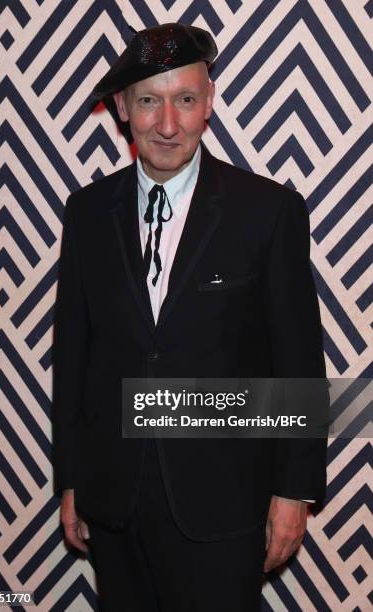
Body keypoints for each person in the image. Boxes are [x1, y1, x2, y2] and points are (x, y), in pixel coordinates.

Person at [51, 22, 327, 612]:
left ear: (209, 103)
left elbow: (298, 362)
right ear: (123, 108)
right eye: (149, 100)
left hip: (225, 507)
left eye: (185, 99)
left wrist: (293, 492)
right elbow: (75, 356)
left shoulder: (268, 211)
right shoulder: (86, 214)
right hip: (114, 500)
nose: (168, 124)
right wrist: (72, 479)